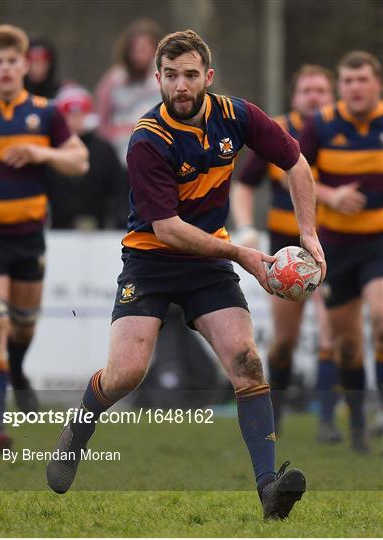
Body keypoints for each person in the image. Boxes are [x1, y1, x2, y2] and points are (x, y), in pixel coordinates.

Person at [46, 30, 326, 520]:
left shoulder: (237, 115)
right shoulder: (146, 140)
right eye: (170, 76)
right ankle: (79, 428)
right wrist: (241, 252)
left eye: (190, 75)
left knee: (247, 362)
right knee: (126, 374)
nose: (180, 85)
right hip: (151, 261)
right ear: (157, 79)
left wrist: (310, 235)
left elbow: (296, 162)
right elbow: (169, 230)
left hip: (208, 264)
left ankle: (268, 488)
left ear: (208, 78)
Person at [0, 25, 89, 452]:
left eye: (12, 62)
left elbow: (80, 161)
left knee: (22, 328)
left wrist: (42, 153)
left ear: (25, 66)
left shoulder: (45, 113)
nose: (5, 69)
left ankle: (17, 372)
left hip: (28, 240)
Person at [231, 65, 340, 442]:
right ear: (295, 96)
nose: (314, 96)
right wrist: (246, 226)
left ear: (332, 95)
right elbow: (244, 185)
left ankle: (327, 422)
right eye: (307, 90)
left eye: (321, 90)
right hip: (288, 252)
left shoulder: (340, 131)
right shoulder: (278, 131)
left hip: (335, 245)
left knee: (331, 335)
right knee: (285, 343)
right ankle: (276, 416)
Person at [300, 51, 383, 451]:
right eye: (347, 80)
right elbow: (293, 174)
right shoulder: (322, 125)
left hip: (378, 244)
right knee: (348, 344)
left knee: (381, 317)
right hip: (336, 246)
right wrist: (330, 195)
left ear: (377, 84)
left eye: (362, 79)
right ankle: (357, 427)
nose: (354, 87)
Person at [47, 83, 124, 229]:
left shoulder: (104, 150)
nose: (75, 119)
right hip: (58, 231)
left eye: (79, 113)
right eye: (69, 114)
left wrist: (119, 223)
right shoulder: (50, 149)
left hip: (98, 231)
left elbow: (119, 190)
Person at [94, 18, 162, 167]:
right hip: (120, 157)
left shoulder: (165, 80)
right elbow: (102, 121)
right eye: (134, 50)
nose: (139, 55)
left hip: (156, 156)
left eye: (143, 49)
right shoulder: (113, 80)